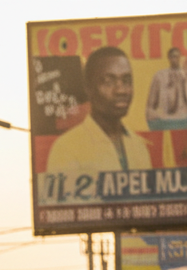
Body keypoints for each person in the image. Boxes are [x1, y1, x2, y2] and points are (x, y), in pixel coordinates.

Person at [46, 47, 152, 183]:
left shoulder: (139, 146)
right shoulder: (66, 148)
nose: (121, 90)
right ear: (88, 88)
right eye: (109, 81)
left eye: (126, 81)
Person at [146, 47, 187, 130]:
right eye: (172, 56)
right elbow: (150, 105)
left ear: (180, 57)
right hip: (164, 121)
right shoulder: (160, 76)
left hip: (183, 120)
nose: (174, 59)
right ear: (169, 57)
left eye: (177, 56)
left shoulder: (184, 75)